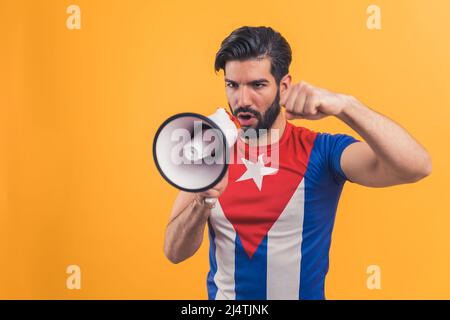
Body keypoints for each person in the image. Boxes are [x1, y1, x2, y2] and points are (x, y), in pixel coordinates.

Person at [163, 26, 432, 300]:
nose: (242, 100)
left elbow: (416, 166)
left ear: (284, 86)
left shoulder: (323, 151)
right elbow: (174, 252)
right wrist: (202, 200)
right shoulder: (210, 149)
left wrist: (346, 105)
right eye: (232, 85)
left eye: (257, 85)